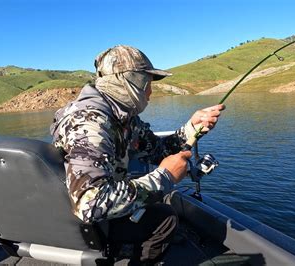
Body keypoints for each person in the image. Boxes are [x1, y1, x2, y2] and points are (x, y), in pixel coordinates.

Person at [50, 45, 224, 264]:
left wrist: (192, 127)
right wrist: (165, 177)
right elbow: (90, 204)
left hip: (98, 207)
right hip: (86, 221)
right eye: (146, 83)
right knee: (165, 218)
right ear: (128, 81)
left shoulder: (122, 118)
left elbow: (157, 150)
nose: (150, 91)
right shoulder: (91, 123)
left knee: (155, 200)